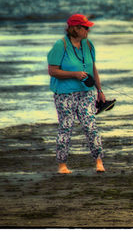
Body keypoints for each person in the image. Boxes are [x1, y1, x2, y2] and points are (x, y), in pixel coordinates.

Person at [47, 14, 108, 174]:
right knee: (66, 127)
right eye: (85, 27)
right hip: (64, 94)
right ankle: (62, 165)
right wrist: (74, 74)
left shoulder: (88, 45)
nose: (88, 30)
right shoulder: (61, 46)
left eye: (88, 27)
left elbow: (93, 68)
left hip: (87, 92)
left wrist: (99, 90)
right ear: (75, 29)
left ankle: (99, 161)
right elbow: (52, 71)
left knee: (90, 126)